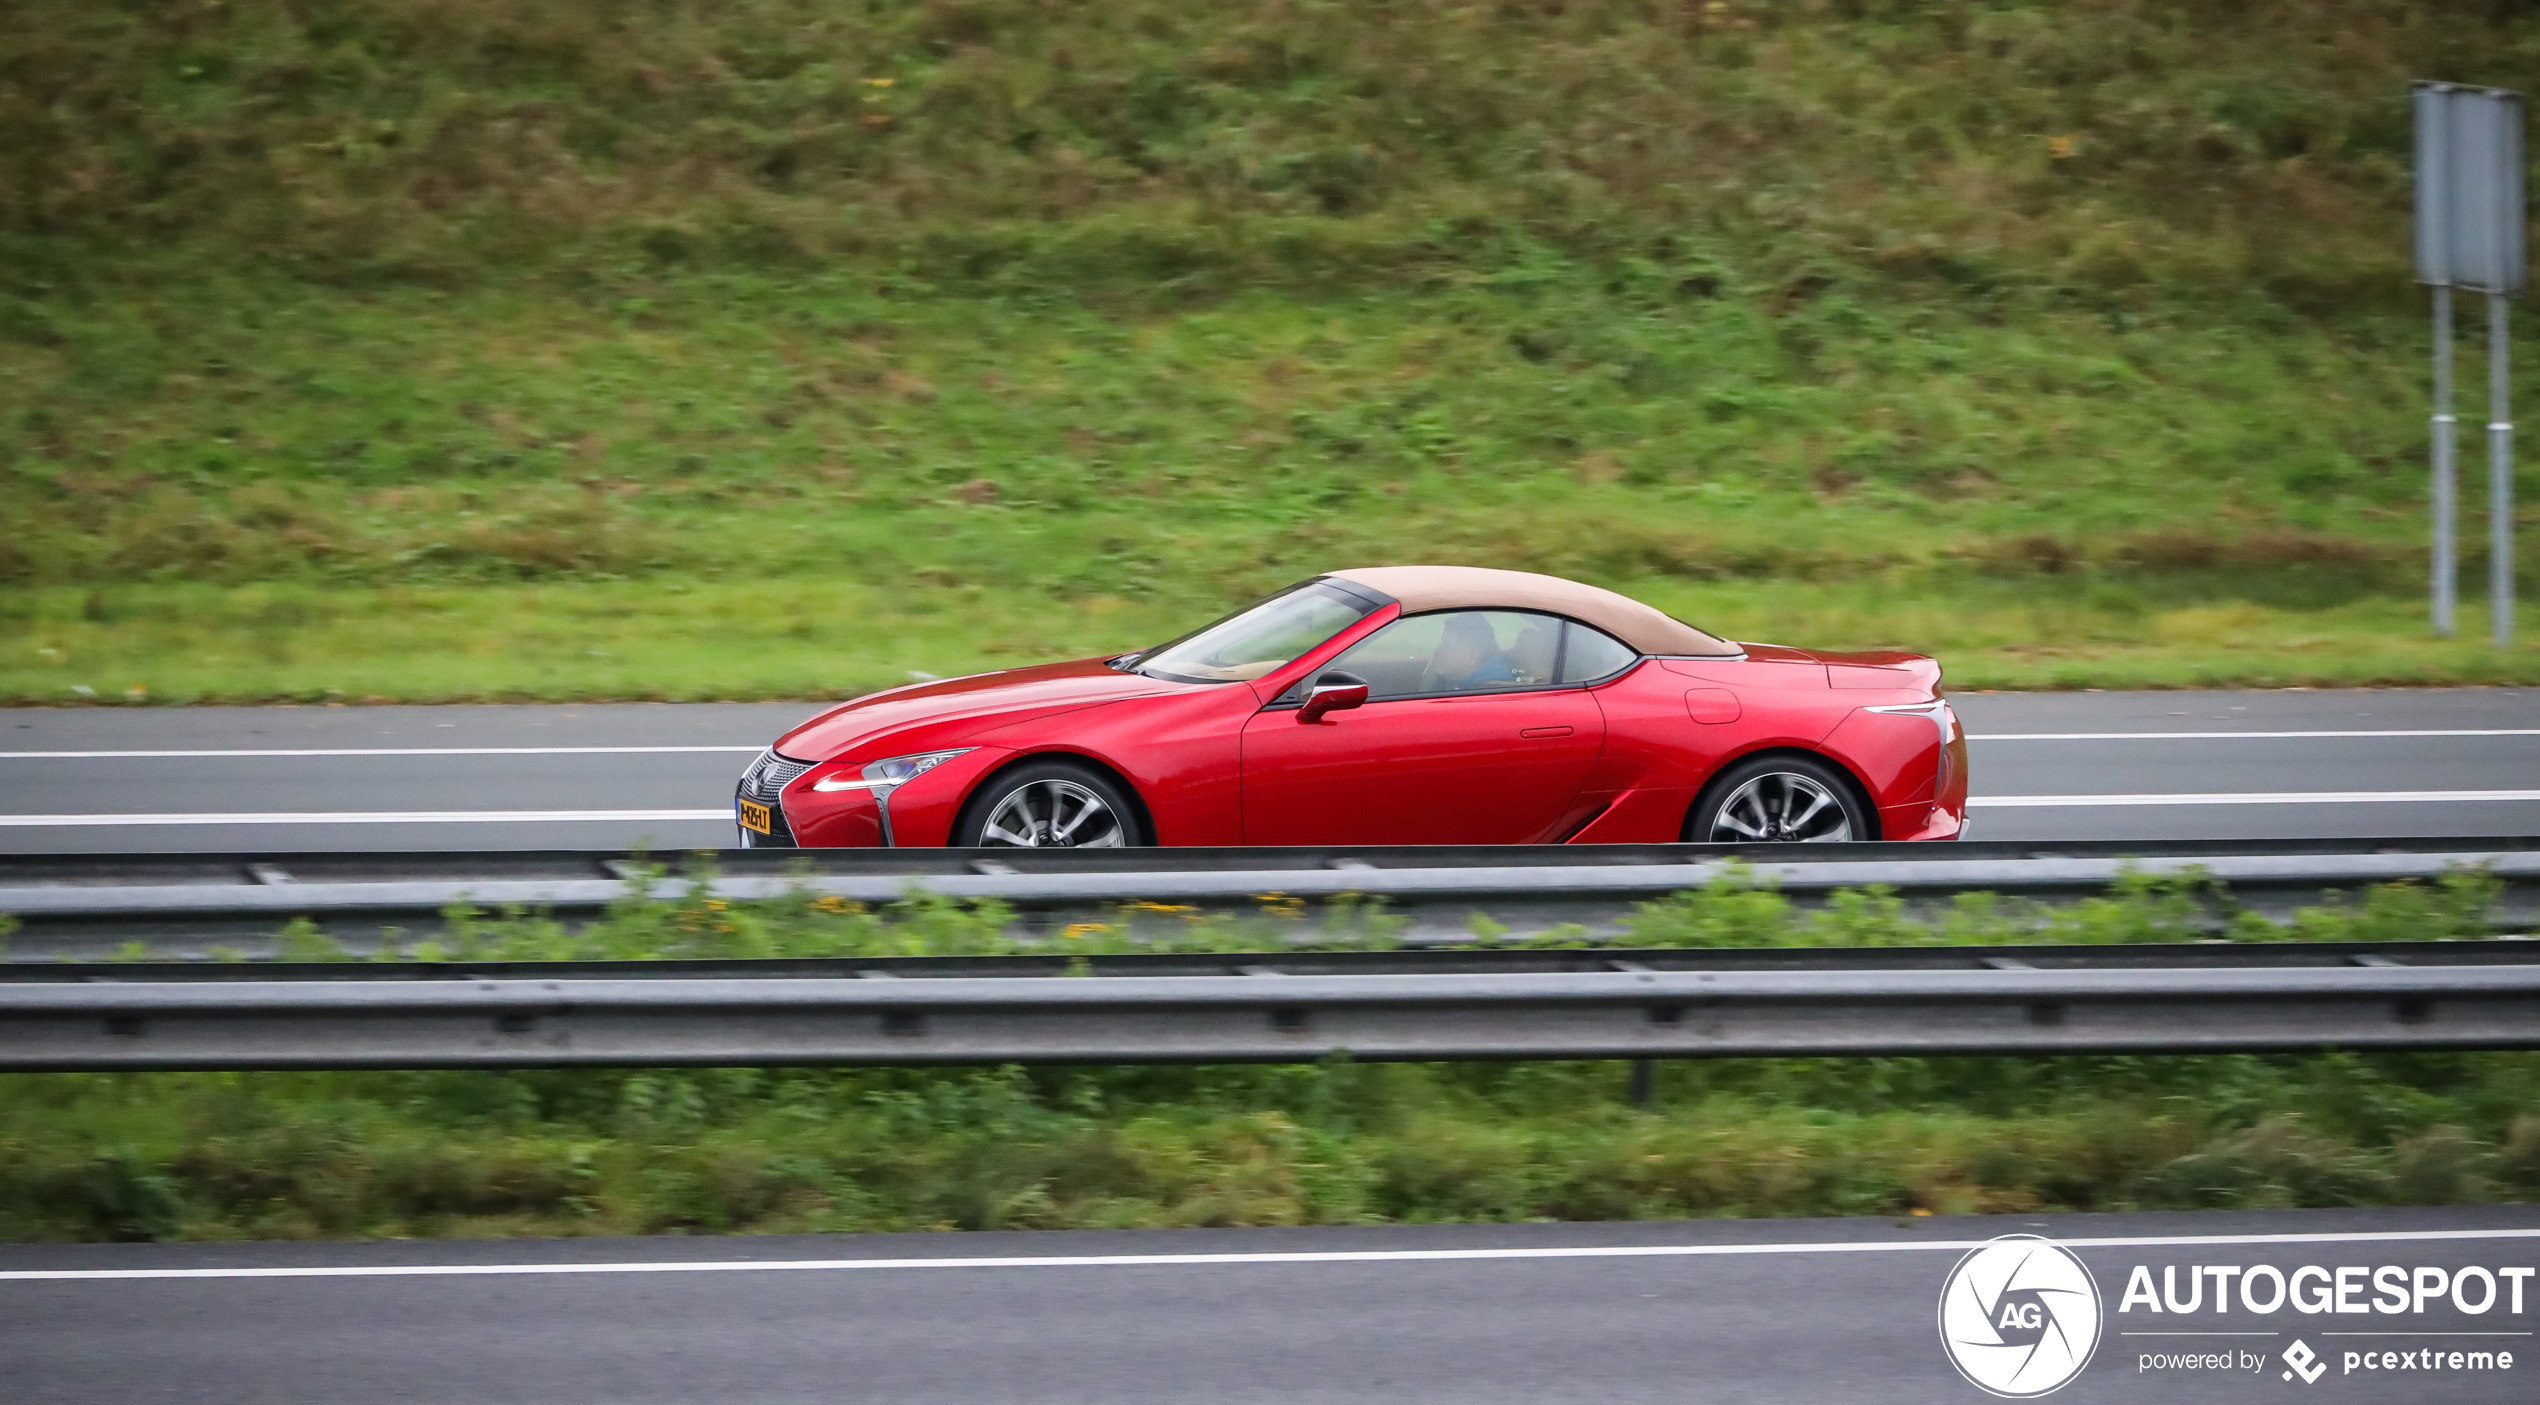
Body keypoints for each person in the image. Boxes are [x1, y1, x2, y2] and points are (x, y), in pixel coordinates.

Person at [1428, 613, 1515, 691]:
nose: (1438, 650)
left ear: (1472, 657)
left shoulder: (1485, 691)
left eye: (1447, 646)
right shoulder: (1465, 683)